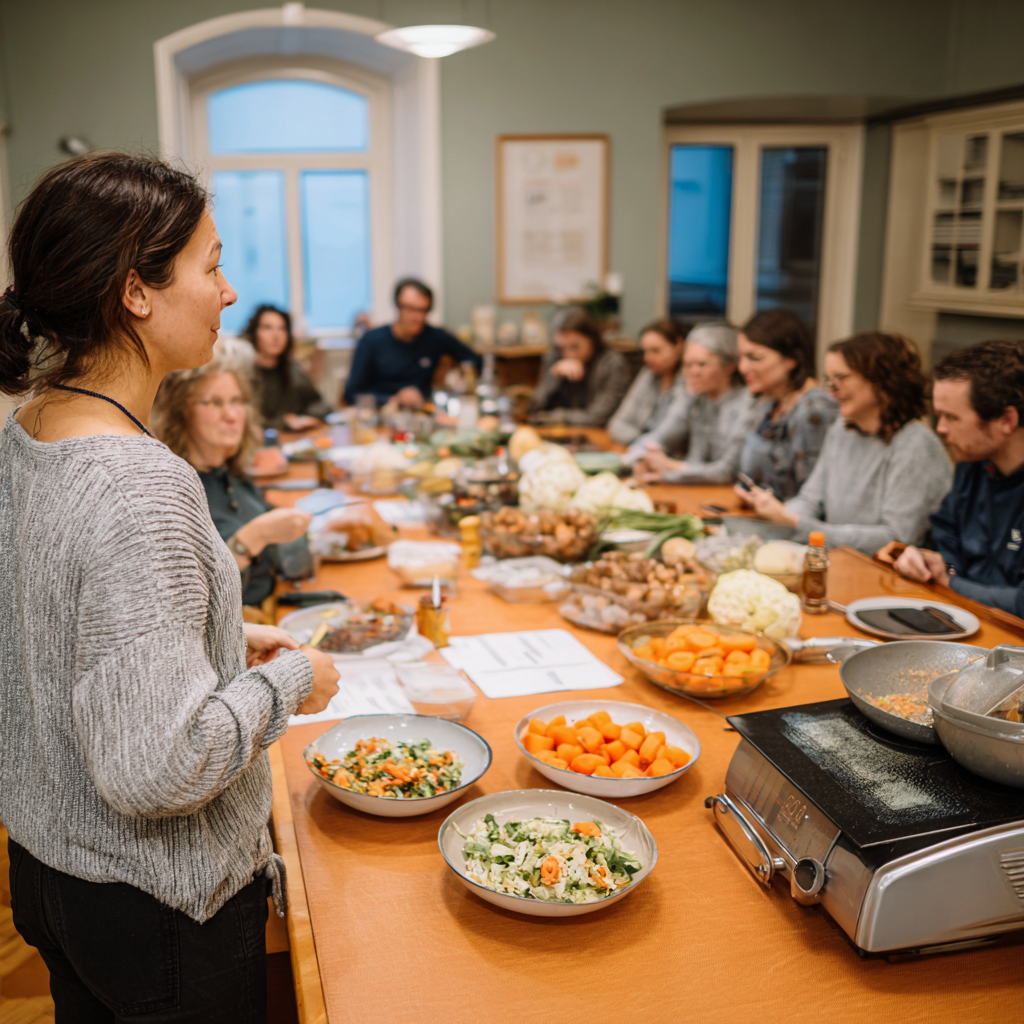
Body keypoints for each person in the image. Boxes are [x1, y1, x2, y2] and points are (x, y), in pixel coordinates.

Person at [0, 151, 339, 1021]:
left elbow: (60, 628)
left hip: (52, 872)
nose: (229, 291)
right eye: (211, 265)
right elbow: (161, 768)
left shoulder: (28, 429)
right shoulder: (140, 483)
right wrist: (292, 681)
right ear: (135, 293)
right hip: (160, 903)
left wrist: (217, 637)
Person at [740, 331, 953, 555]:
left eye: (842, 378)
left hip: (885, 571)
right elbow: (811, 499)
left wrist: (797, 523)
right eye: (830, 379)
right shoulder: (842, 428)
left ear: (880, 380)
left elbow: (897, 539)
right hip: (842, 559)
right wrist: (778, 515)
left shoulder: (916, 445)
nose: (831, 390)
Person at [153, 357, 314, 609]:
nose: (232, 415)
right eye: (215, 403)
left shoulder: (232, 474)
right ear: (180, 410)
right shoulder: (174, 494)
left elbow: (289, 544)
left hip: (276, 606)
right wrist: (250, 540)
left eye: (237, 401)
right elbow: (188, 605)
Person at [883, 341, 1024, 614]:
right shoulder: (973, 461)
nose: (941, 429)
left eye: (952, 417)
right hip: (960, 612)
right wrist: (934, 565)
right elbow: (947, 533)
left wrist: (949, 582)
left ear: (1006, 419)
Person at [629, 323, 756, 484]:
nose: (693, 372)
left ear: (729, 366)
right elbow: (663, 436)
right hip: (696, 487)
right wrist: (641, 458)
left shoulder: (748, 404)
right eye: (688, 365)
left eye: (702, 364)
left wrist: (671, 466)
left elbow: (727, 471)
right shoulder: (697, 396)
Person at [735, 309, 838, 499]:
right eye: (741, 357)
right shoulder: (769, 403)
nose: (742, 367)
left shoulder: (815, 410)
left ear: (791, 359)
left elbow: (809, 498)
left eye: (755, 358)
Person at [342, 278, 481, 408]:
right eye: (409, 308)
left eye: (422, 310)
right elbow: (351, 394)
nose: (416, 317)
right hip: (380, 413)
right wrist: (393, 399)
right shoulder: (371, 340)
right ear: (398, 306)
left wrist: (461, 381)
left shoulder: (435, 337)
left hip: (422, 411)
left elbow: (474, 360)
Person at [528, 306, 631, 427]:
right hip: (558, 431)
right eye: (561, 348)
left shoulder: (612, 363)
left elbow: (598, 417)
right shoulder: (555, 356)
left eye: (575, 346)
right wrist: (553, 377)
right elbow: (534, 409)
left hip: (596, 433)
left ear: (592, 339)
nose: (568, 354)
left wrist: (558, 416)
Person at [244, 303, 332, 431]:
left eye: (282, 329)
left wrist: (304, 418)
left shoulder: (293, 370)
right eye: (267, 328)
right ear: (253, 333)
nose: (276, 335)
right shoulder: (245, 374)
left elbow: (322, 405)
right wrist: (282, 422)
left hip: (296, 439)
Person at [607, 318, 686, 444]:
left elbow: (675, 436)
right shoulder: (648, 374)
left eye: (655, 350)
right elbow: (617, 423)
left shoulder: (691, 380)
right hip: (642, 448)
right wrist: (641, 444)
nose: (647, 358)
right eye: (645, 351)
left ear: (678, 344)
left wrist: (645, 446)